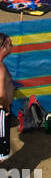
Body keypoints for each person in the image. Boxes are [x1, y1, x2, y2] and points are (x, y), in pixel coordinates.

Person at [0, 31, 13, 162]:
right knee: (1, 151)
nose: (12, 46)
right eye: (10, 44)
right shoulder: (0, 67)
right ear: (3, 47)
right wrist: (6, 106)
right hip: (1, 110)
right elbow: (0, 93)